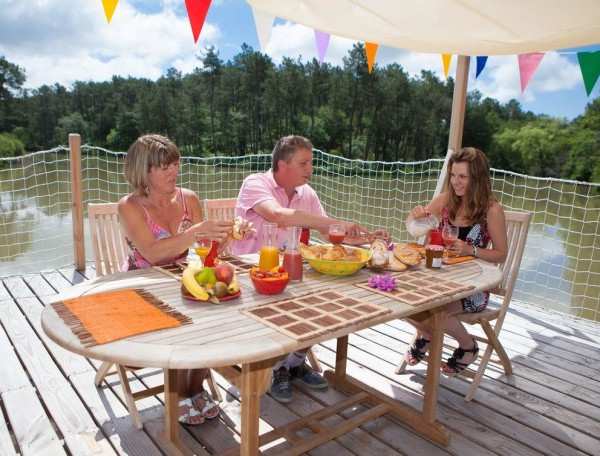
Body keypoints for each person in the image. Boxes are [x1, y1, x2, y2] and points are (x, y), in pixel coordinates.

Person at [232, 135, 374, 403]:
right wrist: (332, 222)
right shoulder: (255, 183)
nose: (311, 169)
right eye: (304, 163)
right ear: (283, 165)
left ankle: (293, 363)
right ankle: (275, 370)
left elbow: (329, 230)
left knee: (331, 302)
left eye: (311, 162)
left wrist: (367, 237)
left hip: (293, 271)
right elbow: (278, 215)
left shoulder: (306, 193)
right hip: (252, 275)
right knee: (289, 304)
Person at [118, 134, 233, 425]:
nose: (173, 171)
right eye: (163, 166)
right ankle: (181, 395)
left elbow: (207, 251)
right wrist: (195, 232)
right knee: (188, 323)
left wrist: (226, 237)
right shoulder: (130, 206)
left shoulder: (188, 198)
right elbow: (153, 253)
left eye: (175, 163)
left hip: (182, 280)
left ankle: (194, 389)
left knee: (219, 314)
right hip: (141, 289)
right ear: (144, 170)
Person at [403, 147, 508, 375]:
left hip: (473, 288)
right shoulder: (445, 200)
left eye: (463, 177)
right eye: (453, 175)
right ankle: (428, 333)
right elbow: (415, 230)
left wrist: (471, 249)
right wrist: (415, 217)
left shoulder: (491, 210)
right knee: (402, 300)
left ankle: (468, 347)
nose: (456, 182)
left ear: (477, 178)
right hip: (438, 278)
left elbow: (501, 254)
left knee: (436, 311)